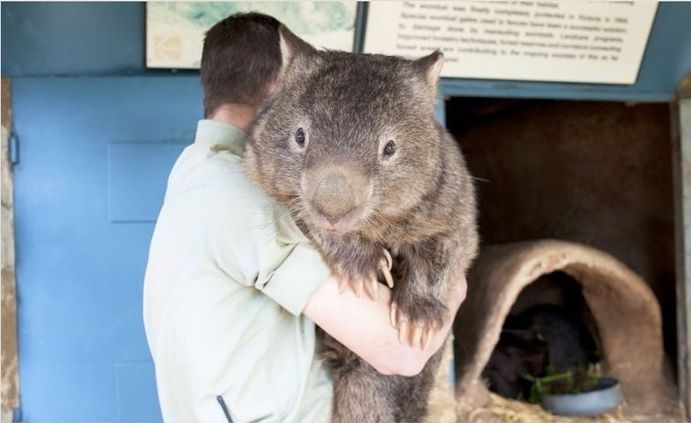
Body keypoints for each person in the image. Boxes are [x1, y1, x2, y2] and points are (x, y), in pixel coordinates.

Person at [143, 12, 467, 423]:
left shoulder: (195, 172)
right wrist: (454, 289)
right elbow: (398, 350)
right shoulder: (240, 195)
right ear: (284, 86)